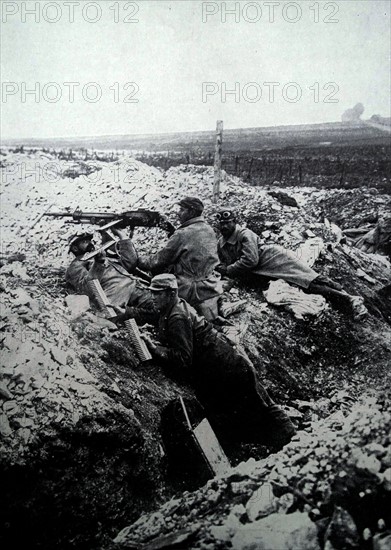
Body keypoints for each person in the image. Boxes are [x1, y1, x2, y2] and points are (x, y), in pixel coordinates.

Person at [113, 273, 296, 451]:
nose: (153, 297)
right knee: (241, 410)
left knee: (260, 405)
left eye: (157, 293)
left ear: (171, 294)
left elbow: (183, 359)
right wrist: (128, 312)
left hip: (229, 368)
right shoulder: (172, 307)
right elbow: (153, 315)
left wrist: (155, 349)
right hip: (222, 365)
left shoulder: (178, 317)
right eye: (152, 292)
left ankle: (296, 441)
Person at [215, 209, 368, 319]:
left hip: (274, 259)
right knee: (296, 286)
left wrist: (228, 270)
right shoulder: (221, 242)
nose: (225, 227)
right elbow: (220, 261)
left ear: (235, 222)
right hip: (260, 272)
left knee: (307, 281)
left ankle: (350, 299)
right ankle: (342, 293)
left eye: (228, 223)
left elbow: (250, 260)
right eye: (222, 224)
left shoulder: (245, 235)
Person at [137, 197, 222, 321]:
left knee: (144, 300)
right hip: (210, 284)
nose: (178, 213)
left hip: (189, 289)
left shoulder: (182, 233)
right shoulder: (209, 229)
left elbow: (157, 262)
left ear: (191, 212)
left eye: (182, 210)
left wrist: (137, 260)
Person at [65, 230, 154, 310]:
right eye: (84, 241)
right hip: (121, 297)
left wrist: (123, 237)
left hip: (138, 288)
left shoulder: (101, 256)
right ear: (75, 248)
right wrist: (98, 263)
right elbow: (86, 288)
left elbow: (130, 264)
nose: (89, 243)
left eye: (89, 240)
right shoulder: (76, 265)